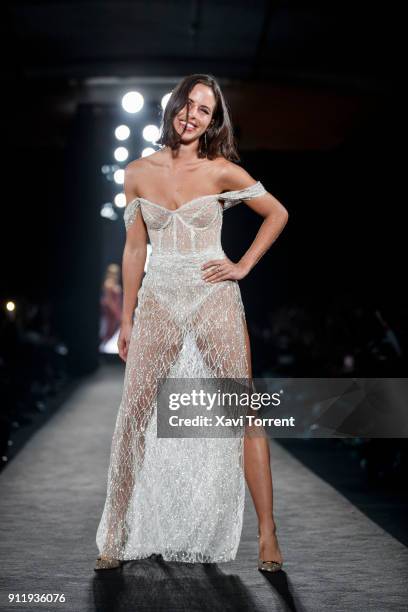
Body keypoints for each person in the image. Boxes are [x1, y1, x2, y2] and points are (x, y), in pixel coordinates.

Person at [95, 74, 289, 573]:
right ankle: (115, 533)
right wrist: (130, 318)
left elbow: (277, 213)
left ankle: (268, 532)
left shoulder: (222, 170)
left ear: (211, 120)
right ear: (173, 106)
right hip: (159, 297)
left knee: (244, 409)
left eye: (204, 110)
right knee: (134, 414)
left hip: (212, 295)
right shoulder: (137, 172)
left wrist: (242, 265)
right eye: (188, 105)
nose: (193, 116)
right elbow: (135, 246)